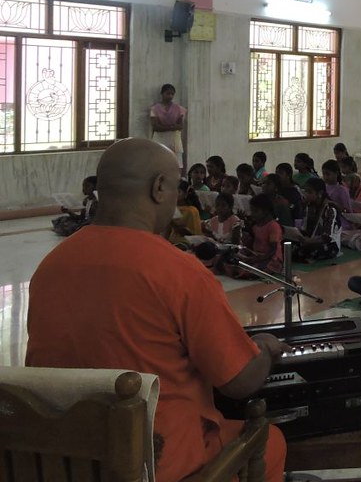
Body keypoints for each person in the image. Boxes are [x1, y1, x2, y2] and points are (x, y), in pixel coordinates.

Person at [25, 138, 288, 482]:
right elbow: (239, 382)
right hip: (157, 463)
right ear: (159, 187)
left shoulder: (50, 268)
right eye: (176, 187)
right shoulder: (178, 271)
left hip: (69, 461)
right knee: (271, 441)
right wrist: (267, 350)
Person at [149, 84, 186, 172]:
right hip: (159, 139)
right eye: (168, 93)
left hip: (174, 139)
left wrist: (164, 127)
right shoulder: (154, 109)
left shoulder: (178, 108)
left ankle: (177, 183)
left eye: (172, 94)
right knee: (158, 162)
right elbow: (155, 127)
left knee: (177, 164)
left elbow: (180, 126)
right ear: (162, 93)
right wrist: (173, 127)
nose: (170, 96)